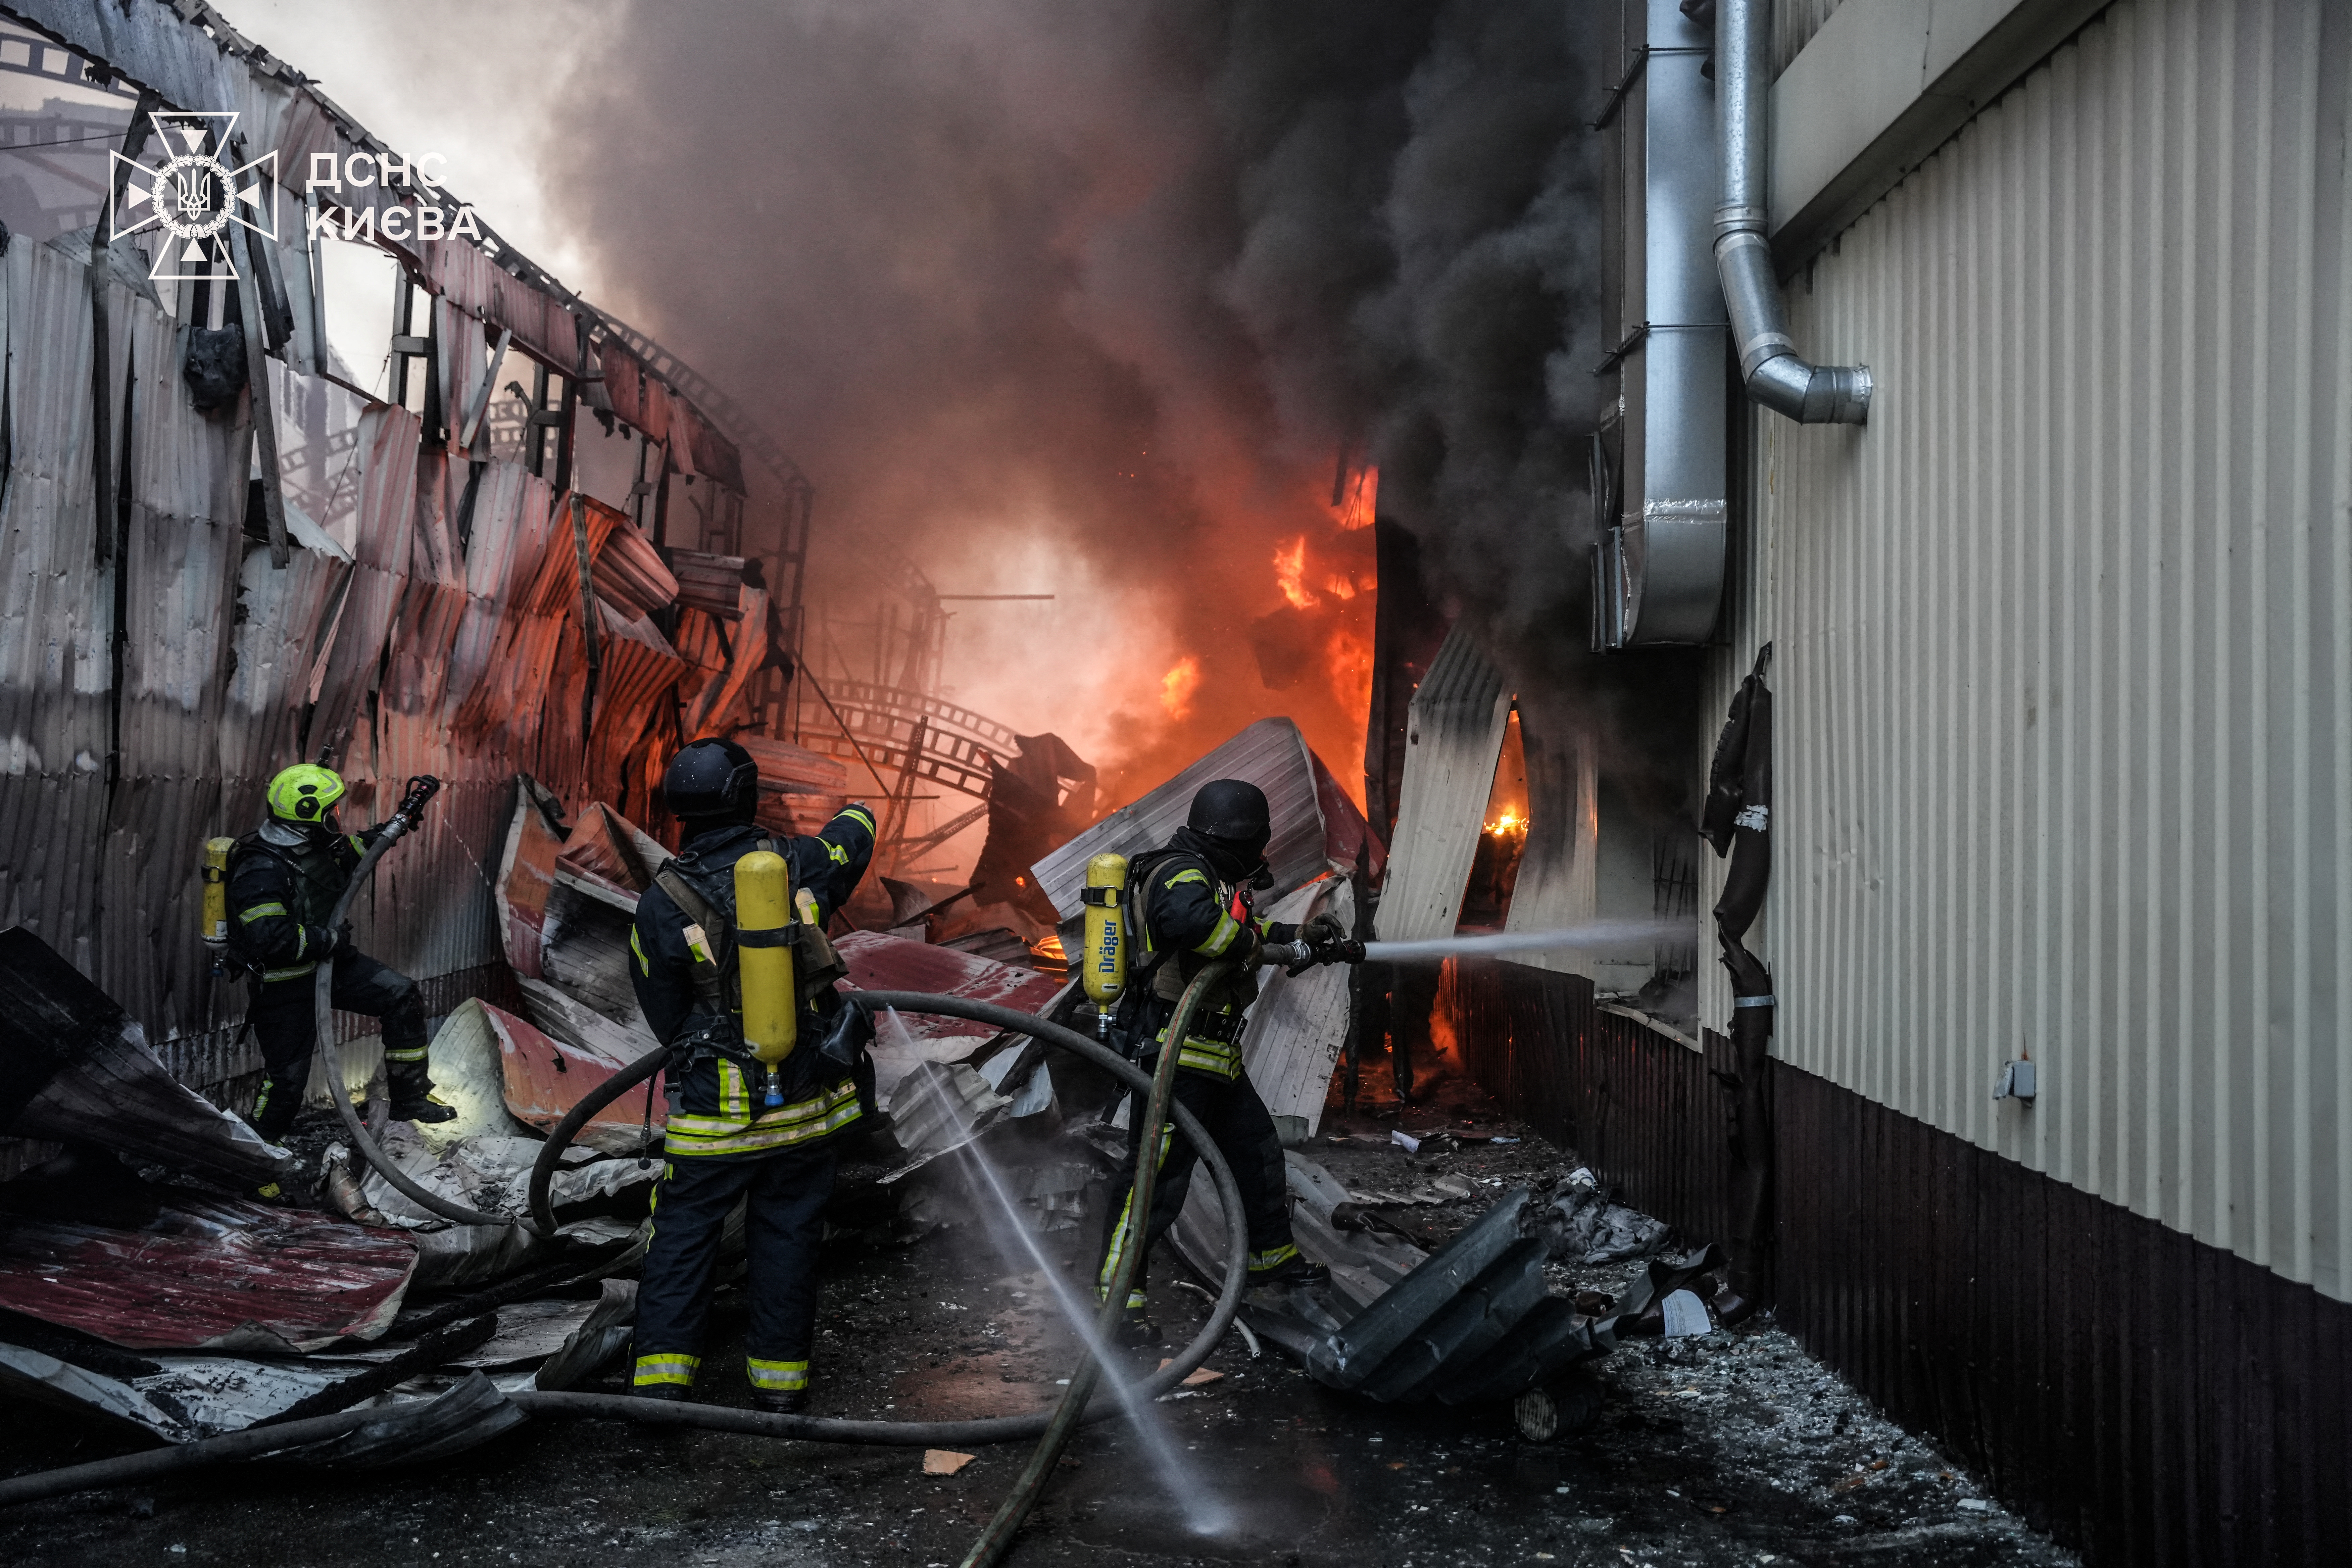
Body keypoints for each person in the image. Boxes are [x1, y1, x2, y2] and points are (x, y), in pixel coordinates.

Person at [627, 737, 877, 1411]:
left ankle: (660, 1385)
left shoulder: (660, 901)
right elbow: (849, 844)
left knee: (683, 1236)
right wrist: (858, 811)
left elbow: (665, 1013)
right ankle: (778, 1386)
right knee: (789, 1233)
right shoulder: (797, 864)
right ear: (746, 795)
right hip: (801, 1102)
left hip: (714, 1112)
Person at [1093, 778, 1349, 1345]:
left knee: (1257, 1154)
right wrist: (1267, 950)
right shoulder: (1180, 872)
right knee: (1153, 1182)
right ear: (1237, 837)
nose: (1261, 854)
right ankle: (1117, 1305)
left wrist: (1299, 936)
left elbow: (1243, 932)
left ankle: (1268, 1259)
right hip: (1175, 1055)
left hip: (1214, 1056)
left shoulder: (1210, 876)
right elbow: (1194, 925)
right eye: (1257, 843)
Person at [225, 764, 455, 1155]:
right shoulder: (261, 869)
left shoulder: (313, 847)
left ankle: (410, 1096)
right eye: (331, 811)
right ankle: (258, 1162)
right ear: (309, 817)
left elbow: (355, 853)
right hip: (284, 985)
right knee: (285, 1085)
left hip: (330, 966)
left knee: (401, 995)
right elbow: (271, 940)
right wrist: (329, 939)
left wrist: (399, 822)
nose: (337, 816)